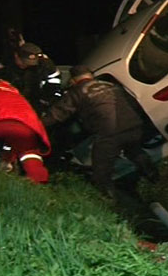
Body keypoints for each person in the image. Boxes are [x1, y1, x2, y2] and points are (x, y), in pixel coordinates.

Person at [41, 65, 158, 198]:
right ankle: (154, 177)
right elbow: (133, 102)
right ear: (91, 75)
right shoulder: (110, 84)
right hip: (135, 125)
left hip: (110, 132)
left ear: (73, 80)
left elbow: (57, 114)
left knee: (101, 169)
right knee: (133, 149)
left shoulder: (77, 91)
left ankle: (109, 201)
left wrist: (38, 124)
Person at [0, 41, 62, 115]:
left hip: (38, 101)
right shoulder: (6, 64)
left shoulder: (46, 65)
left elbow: (54, 86)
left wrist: (43, 104)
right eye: (23, 61)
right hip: (11, 103)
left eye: (30, 63)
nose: (25, 65)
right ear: (16, 56)